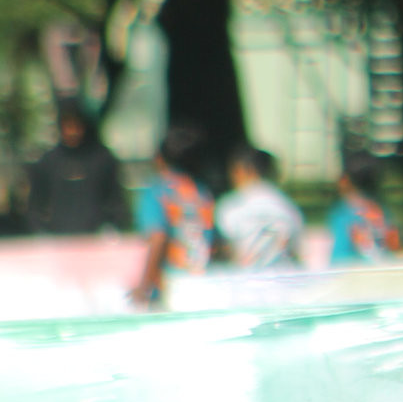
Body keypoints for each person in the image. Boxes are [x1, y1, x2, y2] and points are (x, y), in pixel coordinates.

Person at [128, 124, 217, 308]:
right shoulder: (203, 194)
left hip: (171, 288)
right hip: (204, 285)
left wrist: (144, 286)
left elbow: (158, 238)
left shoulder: (157, 192)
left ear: (160, 158)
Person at [26, 99, 129, 235]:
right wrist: (41, 232)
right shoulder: (48, 162)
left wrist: (111, 228)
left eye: (77, 126)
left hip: (95, 242)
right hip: (58, 241)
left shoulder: (102, 159)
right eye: (68, 126)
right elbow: (35, 206)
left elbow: (116, 202)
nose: (73, 132)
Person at [215, 146, 304, 271]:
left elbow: (226, 253)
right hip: (285, 282)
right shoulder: (288, 206)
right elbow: (297, 253)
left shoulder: (231, 205)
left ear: (245, 170)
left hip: (245, 283)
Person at [328, 152, 402, 264]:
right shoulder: (382, 212)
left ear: (345, 180)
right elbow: (396, 251)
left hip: (352, 276)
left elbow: (339, 258)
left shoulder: (344, 214)